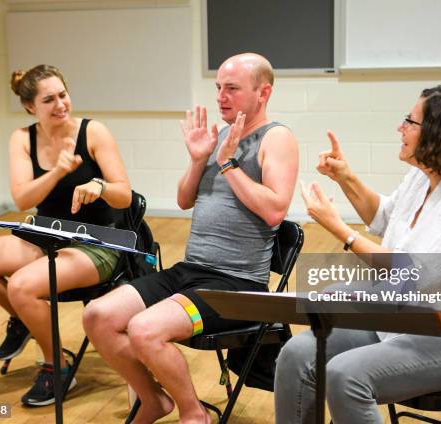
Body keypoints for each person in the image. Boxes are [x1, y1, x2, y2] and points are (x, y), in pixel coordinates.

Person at [83, 53, 299, 423]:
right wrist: (200, 159)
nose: (221, 97)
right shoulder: (223, 136)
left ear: (263, 92)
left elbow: (275, 210)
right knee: (97, 316)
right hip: (191, 270)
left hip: (237, 284)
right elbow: (184, 200)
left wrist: (229, 165)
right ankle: (154, 400)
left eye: (232, 88)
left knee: (144, 330)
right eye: (218, 88)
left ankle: (193, 412)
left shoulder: (276, 138)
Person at [274, 84, 441, 423]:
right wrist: (346, 178)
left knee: (346, 375)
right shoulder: (423, 175)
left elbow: (417, 274)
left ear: (440, 133)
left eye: (409, 122)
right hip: (400, 319)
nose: (400, 128)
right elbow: (383, 216)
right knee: (296, 356)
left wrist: (340, 230)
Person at [0, 65, 131, 406]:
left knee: (21, 285)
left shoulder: (94, 132)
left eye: (63, 94)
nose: (61, 104)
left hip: (96, 241)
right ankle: (24, 320)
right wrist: (59, 171)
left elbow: (124, 195)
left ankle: (58, 368)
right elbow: (23, 199)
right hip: (45, 234)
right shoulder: (23, 138)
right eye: (49, 99)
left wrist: (100, 185)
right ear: (31, 107)